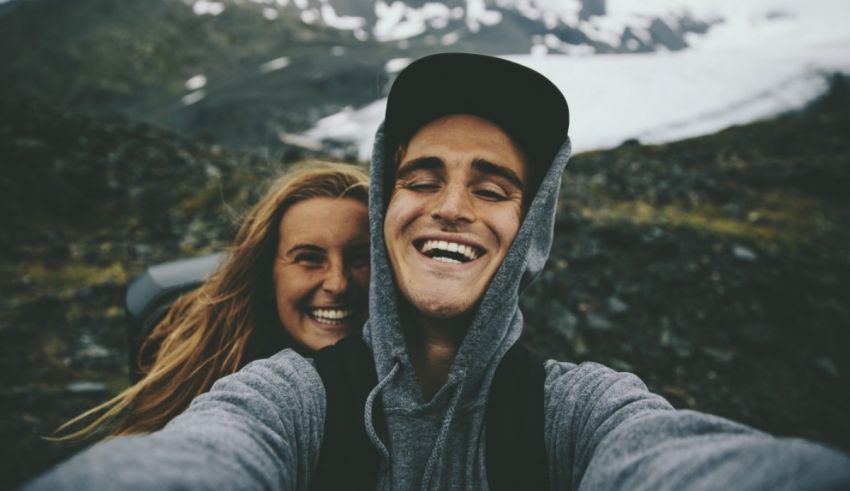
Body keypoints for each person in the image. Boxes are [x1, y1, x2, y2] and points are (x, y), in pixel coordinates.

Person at [26, 54, 850, 490]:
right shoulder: (285, 395)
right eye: (421, 179)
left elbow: (671, 457)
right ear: (387, 201)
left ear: (530, 228)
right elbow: (204, 456)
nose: (451, 205)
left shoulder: (577, 410)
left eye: (492, 188)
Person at [56, 162, 370, 439]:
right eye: (309, 258)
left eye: (360, 258)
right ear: (266, 276)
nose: (338, 283)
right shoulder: (217, 385)